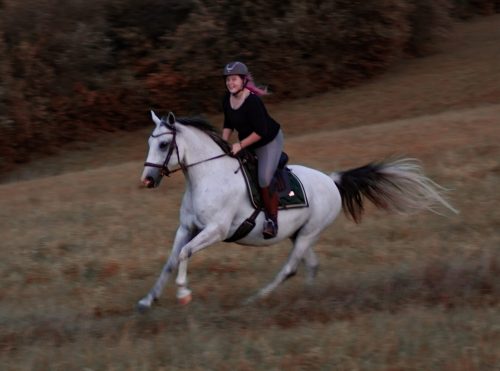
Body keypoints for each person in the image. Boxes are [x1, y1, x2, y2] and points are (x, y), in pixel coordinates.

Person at [221, 61, 284, 239]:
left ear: (243, 80)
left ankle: (272, 221)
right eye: (227, 80)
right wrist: (223, 142)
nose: (230, 83)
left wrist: (240, 145)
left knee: (263, 178)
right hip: (249, 142)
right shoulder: (226, 98)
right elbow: (228, 123)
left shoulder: (253, 102)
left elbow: (261, 132)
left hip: (268, 141)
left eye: (233, 79)